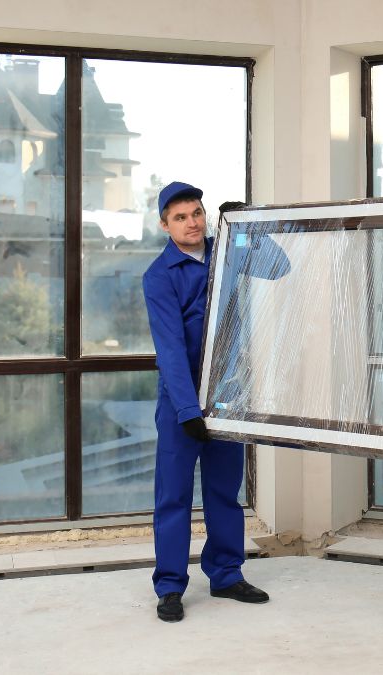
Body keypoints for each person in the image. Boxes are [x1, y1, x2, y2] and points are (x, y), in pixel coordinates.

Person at [143, 181, 281, 622]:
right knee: (174, 497)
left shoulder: (227, 250)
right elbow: (169, 351)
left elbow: (279, 268)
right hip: (181, 405)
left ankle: (225, 575)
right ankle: (169, 587)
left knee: (225, 493)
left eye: (198, 213)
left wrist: (250, 228)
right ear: (165, 225)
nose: (193, 222)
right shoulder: (159, 277)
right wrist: (188, 411)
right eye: (181, 217)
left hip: (226, 398)